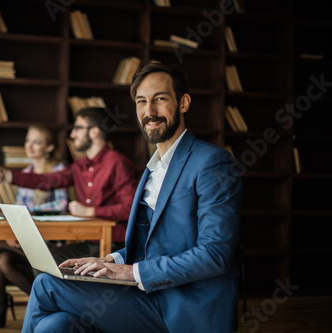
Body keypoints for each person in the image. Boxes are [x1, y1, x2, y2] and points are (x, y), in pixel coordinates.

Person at [19, 63, 243, 333]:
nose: (149, 112)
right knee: (54, 326)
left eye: (159, 99)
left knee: (46, 283)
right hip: (146, 296)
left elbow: (215, 255)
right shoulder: (151, 168)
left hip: (184, 307)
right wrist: (111, 260)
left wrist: (131, 272)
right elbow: (152, 247)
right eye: (141, 102)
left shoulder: (211, 162)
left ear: (183, 103)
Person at [0, 107, 138, 263]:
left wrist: (90, 211)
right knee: (42, 259)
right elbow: (47, 181)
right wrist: (7, 175)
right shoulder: (79, 166)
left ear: (95, 132)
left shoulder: (118, 162)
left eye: (78, 128)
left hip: (116, 247)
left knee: (45, 260)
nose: (72, 135)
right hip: (89, 242)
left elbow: (130, 209)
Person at [0, 124, 69, 328]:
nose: (29, 146)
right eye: (27, 140)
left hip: (51, 243)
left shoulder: (59, 170)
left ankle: (0, 305)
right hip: (27, 238)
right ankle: (49, 304)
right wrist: (14, 231)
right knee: (3, 260)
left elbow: (61, 204)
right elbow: (17, 209)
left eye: (36, 142)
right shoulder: (26, 173)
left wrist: (29, 212)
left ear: (49, 148)